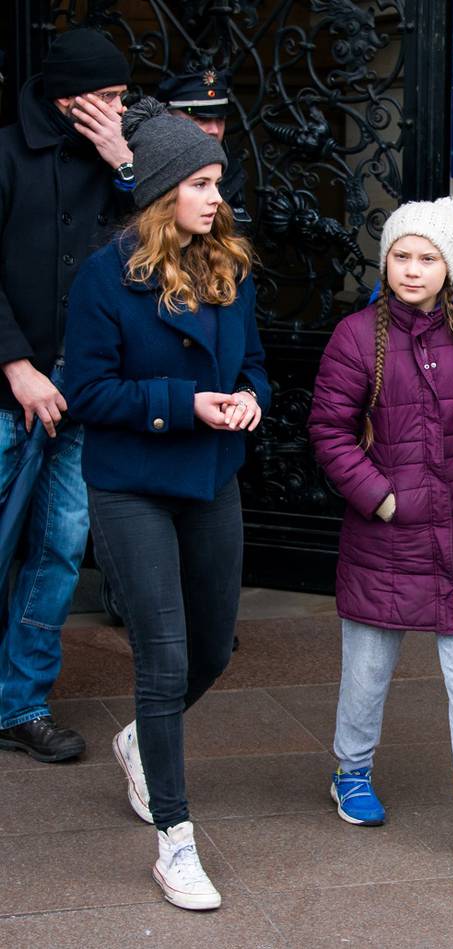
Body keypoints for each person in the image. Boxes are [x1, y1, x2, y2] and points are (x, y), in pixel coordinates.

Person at [64, 97, 270, 910]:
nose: (215, 196)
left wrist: (250, 398)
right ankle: (176, 842)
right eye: (199, 181)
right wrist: (186, 404)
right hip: (132, 484)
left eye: (217, 181)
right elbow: (87, 390)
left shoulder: (231, 266)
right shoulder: (102, 278)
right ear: (160, 190)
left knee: (214, 648)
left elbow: (253, 364)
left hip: (210, 475)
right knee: (165, 656)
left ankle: (138, 741)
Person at [308, 197, 453, 859]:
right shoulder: (355, 337)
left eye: (427, 257)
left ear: (448, 267)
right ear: (387, 260)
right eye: (401, 255)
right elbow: (328, 432)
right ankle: (350, 771)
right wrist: (382, 500)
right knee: (367, 672)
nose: (412, 269)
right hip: (386, 537)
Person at [0, 28, 134, 763]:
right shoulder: (5, 154)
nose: (120, 108)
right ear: (72, 94)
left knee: (57, 551)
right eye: (111, 96)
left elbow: (160, 246)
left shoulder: (123, 157)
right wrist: (16, 365)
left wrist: (123, 162)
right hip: (8, 393)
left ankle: (20, 703)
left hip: (80, 398)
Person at [156, 67, 251, 230]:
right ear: (168, 119)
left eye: (220, 119)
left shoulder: (231, 171)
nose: (214, 130)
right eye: (200, 119)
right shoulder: (150, 169)